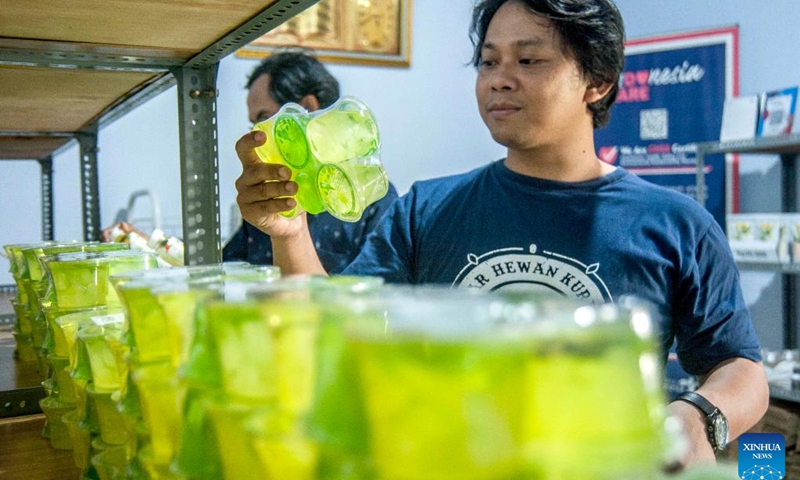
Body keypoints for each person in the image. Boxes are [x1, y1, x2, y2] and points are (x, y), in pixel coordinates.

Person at [233, 0, 768, 469]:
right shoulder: (428, 208)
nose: (498, 79)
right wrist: (290, 233)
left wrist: (700, 416)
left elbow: (741, 369)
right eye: (489, 61)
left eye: (528, 60)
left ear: (598, 81)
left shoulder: (675, 222)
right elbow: (334, 333)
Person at [103, 51, 399, 274]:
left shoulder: (372, 202)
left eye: (263, 118)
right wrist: (151, 245)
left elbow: (370, 306)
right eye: (253, 124)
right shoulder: (271, 197)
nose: (257, 134)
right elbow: (222, 268)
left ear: (306, 109)